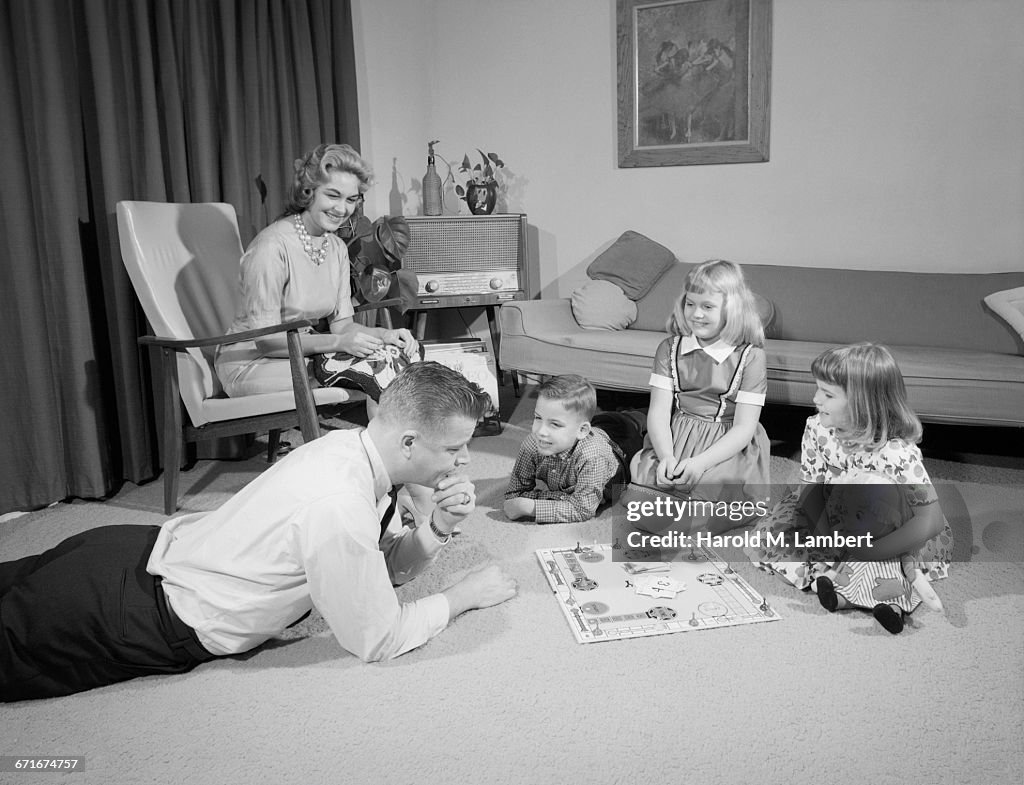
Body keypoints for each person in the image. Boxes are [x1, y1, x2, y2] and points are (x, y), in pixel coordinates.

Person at [0, 362, 518, 702]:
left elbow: (373, 572)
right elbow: (377, 637)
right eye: (454, 448)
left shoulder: (347, 448)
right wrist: (463, 596)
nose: (465, 460)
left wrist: (437, 528)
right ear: (408, 441)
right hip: (137, 614)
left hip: (121, 553)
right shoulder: (339, 504)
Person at [746, 343, 953, 634]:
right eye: (818, 389)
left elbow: (928, 520)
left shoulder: (897, 451)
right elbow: (810, 489)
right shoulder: (817, 428)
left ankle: (880, 587)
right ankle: (837, 579)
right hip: (834, 514)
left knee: (902, 559)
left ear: (863, 403)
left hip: (889, 524)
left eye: (828, 394)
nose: (816, 399)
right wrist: (825, 536)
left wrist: (875, 550)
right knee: (777, 533)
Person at [214, 143, 419, 405]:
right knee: (377, 369)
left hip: (304, 356)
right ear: (309, 191)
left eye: (351, 199)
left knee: (396, 357)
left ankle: (395, 444)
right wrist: (339, 343)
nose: (342, 209)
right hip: (251, 363)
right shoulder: (271, 247)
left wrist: (384, 335)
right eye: (333, 195)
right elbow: (266, 343)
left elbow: (343, 326)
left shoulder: (335, 247)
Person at [624, 260, 770, 534]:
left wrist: (701, 463)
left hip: (727, 444)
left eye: (707, 306)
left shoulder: (751, 357)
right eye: (690, 304)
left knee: (709, 495)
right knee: (647, 487)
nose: (696, 314)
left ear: (731, 309)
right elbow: (658, 412)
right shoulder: (669, 348)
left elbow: (744, 427)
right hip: (678, 435)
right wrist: (667, 456)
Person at [503, 375, 626, 523]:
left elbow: (583, 509)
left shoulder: (593, 456)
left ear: (581, 430)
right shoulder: (533, 443)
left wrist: (532, 506)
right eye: (538, 418)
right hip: (593, 428)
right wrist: (564, 501)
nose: (541, 431)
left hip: (621, 441)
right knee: (602, 419)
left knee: (635, 422)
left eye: (554, 424)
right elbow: (514, 494)